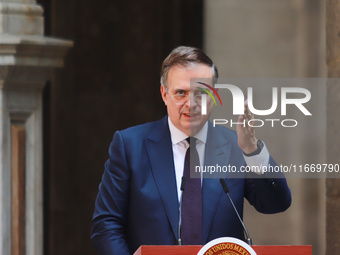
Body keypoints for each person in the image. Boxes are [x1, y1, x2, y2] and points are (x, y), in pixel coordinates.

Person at [90, 46, 291, 255]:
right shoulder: (130, 145)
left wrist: (252, 150)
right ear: (164, 94)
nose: (191, 103)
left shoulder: (235, 145)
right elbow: (106, 225)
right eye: (180, 93)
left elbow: (276, 204)